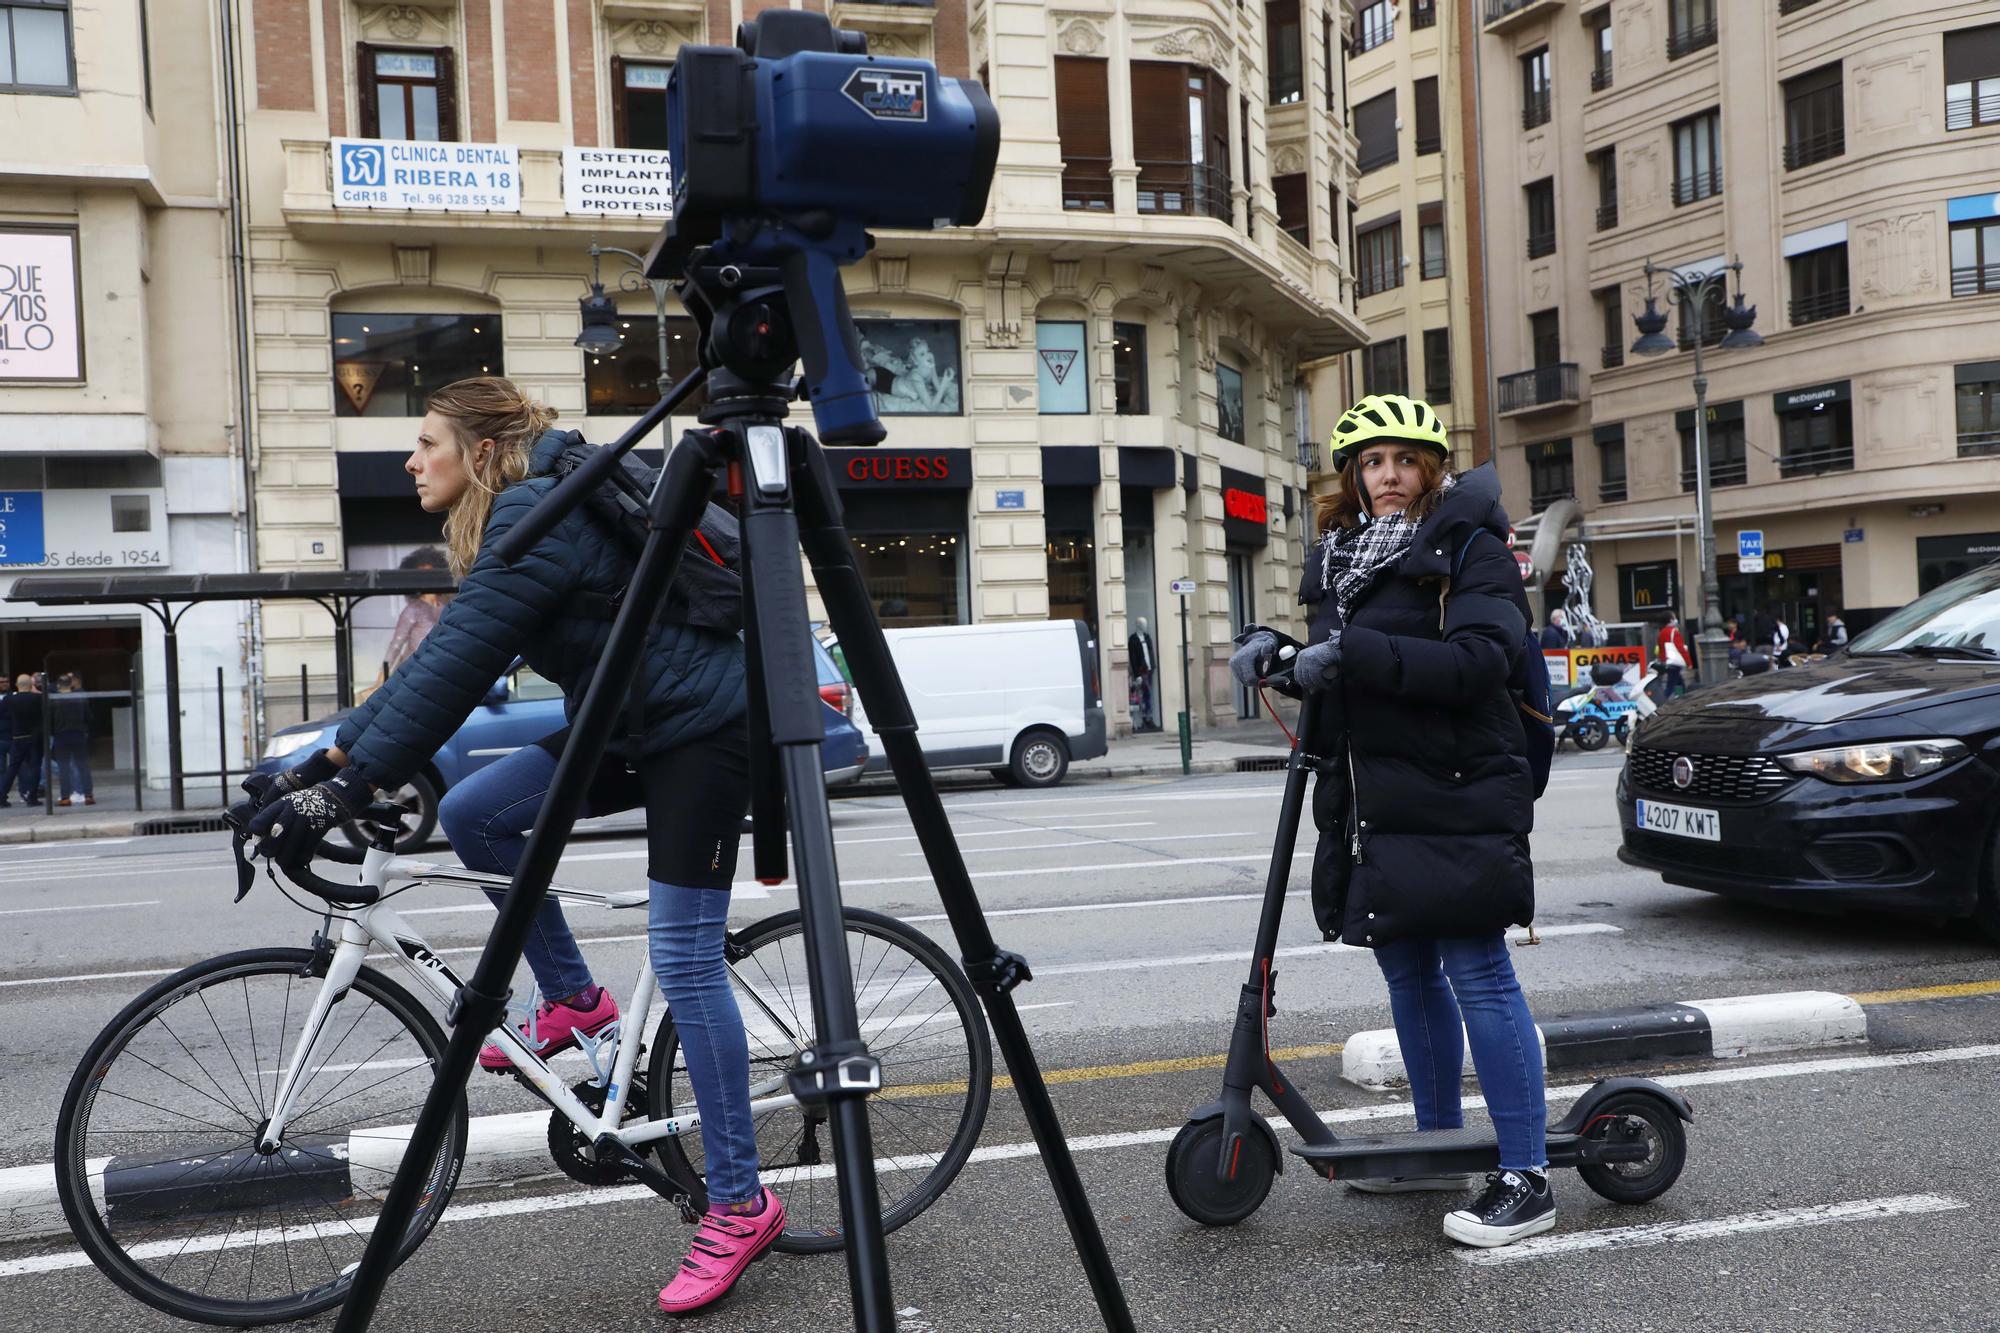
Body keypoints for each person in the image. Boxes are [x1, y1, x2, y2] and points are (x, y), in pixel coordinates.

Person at [242, 376, 782, 1314]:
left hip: (702, 726)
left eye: (427, 443)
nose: (412, 461)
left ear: (483, 453)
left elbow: (451, 676)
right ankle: (574, 998)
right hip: (625, 723)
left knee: (684, 957)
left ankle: (740, 1203)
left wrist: (346, 790)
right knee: (477, 813)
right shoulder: (531, 511)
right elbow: (429, 672)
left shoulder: (538, 518)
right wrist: (316, 762)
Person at [1231, 393, 1552, 1249]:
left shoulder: (1472, 546)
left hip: (1457, 788)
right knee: (1408, 972)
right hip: (1377, 799)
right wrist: (1284, 654)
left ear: (1433, 468)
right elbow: (1348, 668)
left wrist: (1354, 654)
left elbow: (1483, 659)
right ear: (1352, 475)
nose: (1388, 475)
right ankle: (1441, 1144)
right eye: (1372, 462)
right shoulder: (1340, 558)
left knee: (1479, 969)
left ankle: (1528, 1172)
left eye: (1405, 459)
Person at [51, 672, 94, 806]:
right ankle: (88, 795)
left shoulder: (54, 700)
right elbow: (89, 717)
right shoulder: (80, 698)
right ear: (71, 685)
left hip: (61, 736)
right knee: (83, 766)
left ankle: (65, 797)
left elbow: (49, 720)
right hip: (78, 734)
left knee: (64, 767)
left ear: (58, 685)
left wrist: (53, 732)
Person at [2, 674, 44, 805]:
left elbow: (3, 714)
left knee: (12, 768)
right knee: (35, 767)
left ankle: (2, 796)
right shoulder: (38, 698)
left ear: (17, 685)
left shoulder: (9, 699)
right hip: (35, 737)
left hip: (17, 737)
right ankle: (32, 797)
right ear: (31, 685)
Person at [1128, 616, 1158, 732]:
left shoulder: (1147, 637)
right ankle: (1144, 719)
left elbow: (1150, 653)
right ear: (1139, 625)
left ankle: (1147, 717)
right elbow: (1133, 658)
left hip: (1149, 669)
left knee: (1147, 694)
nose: (1145, 626)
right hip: (1141, 671)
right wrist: (1137, 674)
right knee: (1143, 695)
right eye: (1143, 624)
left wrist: (1153, 666)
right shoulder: (1133, 640)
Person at [1654, 612, 1692, 699]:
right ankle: (1661, 703)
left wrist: (1663, 660)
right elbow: (1681, 649)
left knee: (1679, 682)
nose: (1676, 619)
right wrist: (1688, 663)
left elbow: (1661, 649)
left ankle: (1681, 699)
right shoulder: (1674, 632)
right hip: (1674, 662)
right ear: (1671, 620)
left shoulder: (1662, 632)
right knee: (1670, 686)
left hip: (1667, 662)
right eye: (1674, 617)